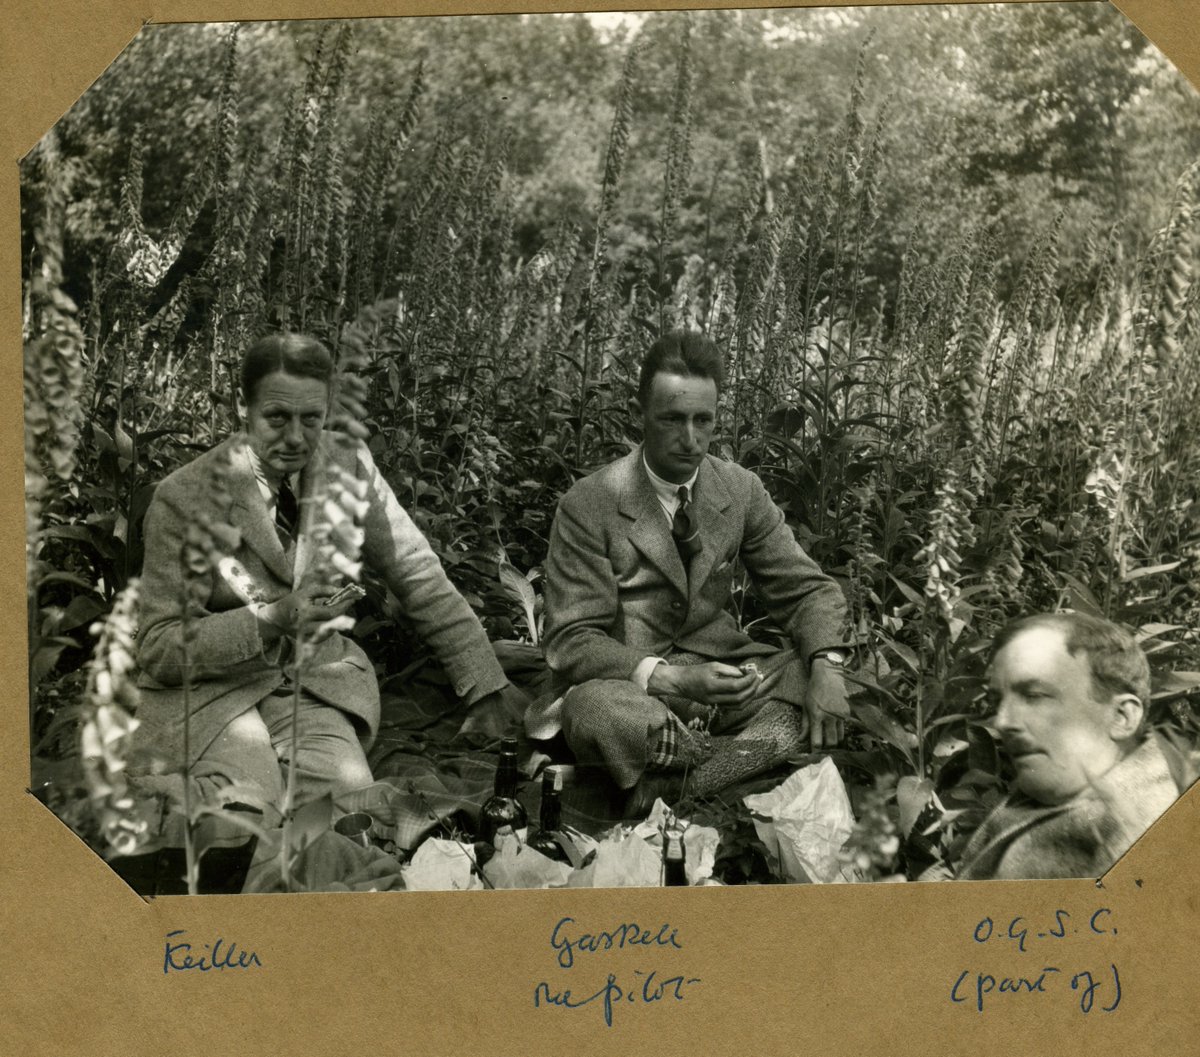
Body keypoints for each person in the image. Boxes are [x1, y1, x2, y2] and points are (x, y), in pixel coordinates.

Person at [133, 332, 528, 815]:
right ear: (242, 406)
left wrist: (485, 684)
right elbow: (159, 647)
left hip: (310, 687)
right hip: (210, 697)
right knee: (252, 812)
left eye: (312, 419)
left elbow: (416, 572)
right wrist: (270, 620)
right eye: (277, 418)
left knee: (350, 813)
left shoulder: (347, 464)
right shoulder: (184, 498)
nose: (297, 438)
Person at [532, 330, 851, 813]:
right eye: (672, 420)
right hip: (633, 690)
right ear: (641, 415)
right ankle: (741, 757)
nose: (690, 439)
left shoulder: (740, 490)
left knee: (850, 674)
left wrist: (827, 666)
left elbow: (806, 590)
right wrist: (674, 680)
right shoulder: (590, 504)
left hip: (726, 682)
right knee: (592, 710)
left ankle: (676, 779)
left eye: (704, 420)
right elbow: (572, 640)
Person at [955, 611, 1196, 880]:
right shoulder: (1064, 793)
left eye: (1034, 696)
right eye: (998, 700)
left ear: (1122, 717)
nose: (1002, 721)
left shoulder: (1149, 843)